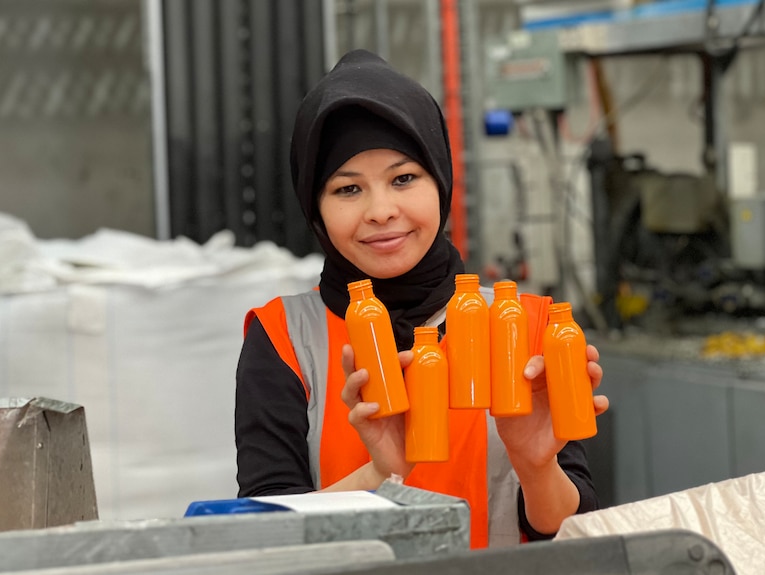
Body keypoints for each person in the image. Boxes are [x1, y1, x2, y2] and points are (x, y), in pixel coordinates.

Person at [234, 49, 609, 549]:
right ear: (315, 208)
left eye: (404, 178)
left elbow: (570, 533)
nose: (381, 210)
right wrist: (379, 475)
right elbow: (263, 539)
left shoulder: (529, 324)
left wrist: (537, 466)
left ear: (441, 181)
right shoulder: (282, 338)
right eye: (348, 189)